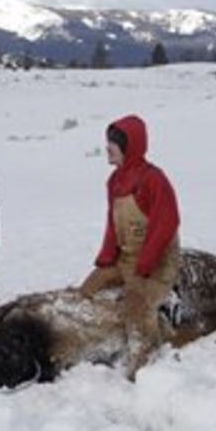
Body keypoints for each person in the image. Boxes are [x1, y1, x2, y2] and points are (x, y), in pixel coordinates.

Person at [79, 114, 182, 381]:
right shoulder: (114, 181)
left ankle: (142, 356)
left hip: (157, 262)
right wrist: (105, 258)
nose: (108, 148)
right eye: (108, 142)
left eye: (114, 143)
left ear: (130, 146)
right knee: (88, 289)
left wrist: (146, 263)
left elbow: (166, 222)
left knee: (137, 301)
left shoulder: (154, 179)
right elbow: (113, 223)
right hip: (125, 258)